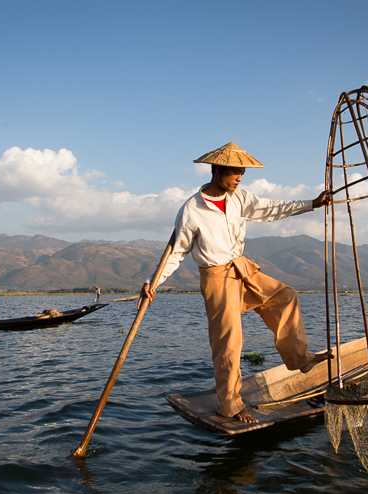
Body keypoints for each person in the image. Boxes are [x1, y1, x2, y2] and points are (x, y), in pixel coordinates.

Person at [137, 142, 332, 424]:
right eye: (234, 172)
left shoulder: (239, 198)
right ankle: (229, 405)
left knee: (286, 296)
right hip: (217, 277)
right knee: (229, 340)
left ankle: (299, 358)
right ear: (217, 171)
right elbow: (177, 251)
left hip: (241, 268)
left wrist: (312, 203)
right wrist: (152, 281)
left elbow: (272, 209)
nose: (239, 177)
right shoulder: (192, 209)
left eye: (242, 172)